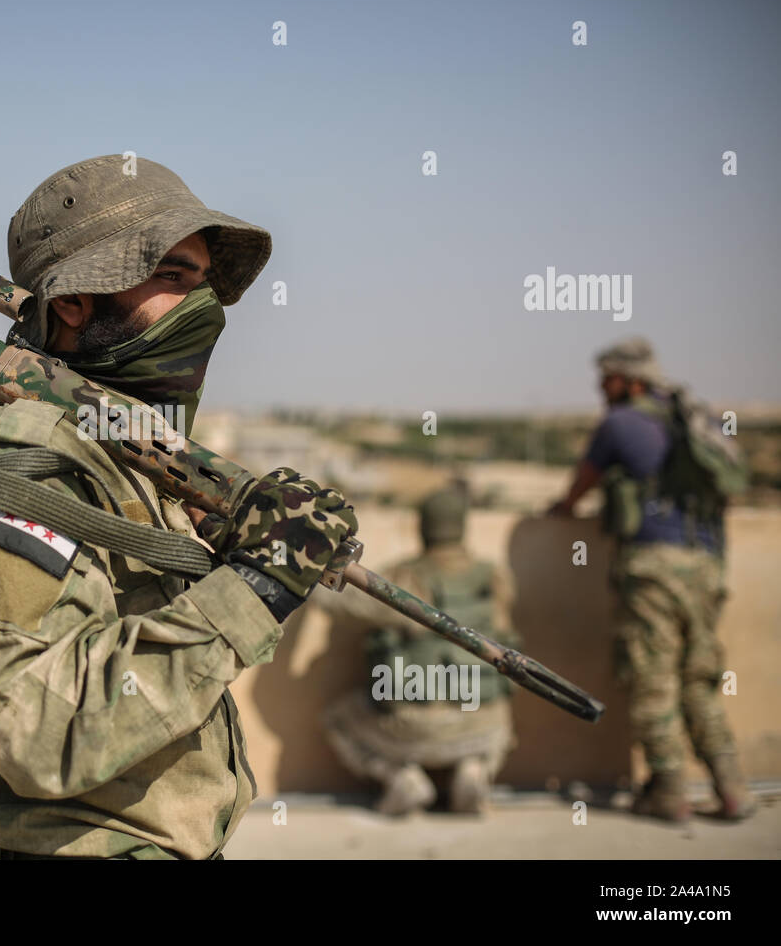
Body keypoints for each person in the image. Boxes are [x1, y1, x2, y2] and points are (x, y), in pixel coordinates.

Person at [0, 155, 359, 859]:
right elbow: (37, 732)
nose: (203, 306)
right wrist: (254, 590)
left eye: (202, 281)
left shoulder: (115, 455)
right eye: (171, 277)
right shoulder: (27, 466)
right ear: (74, 302)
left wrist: (222, 553)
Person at [548, 338, 755, 821]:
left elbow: (580, 485)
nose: (602, 387)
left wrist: (563, 510)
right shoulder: (692, 420)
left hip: (653, 568)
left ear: (632, 378)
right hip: (707, 566)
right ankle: (732, 788)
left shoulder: (620, 423)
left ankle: (668, 789)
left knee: (652, 677)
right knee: (699, 679)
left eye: (609, 377)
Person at [322, 486, 519, 816]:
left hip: (413, 725)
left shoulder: (404, 578)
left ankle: (400, 777)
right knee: (501, 709)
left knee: (337, 718)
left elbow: (336, 601)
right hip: (484, 720)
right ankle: (476, 769)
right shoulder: (496, 578)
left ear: (424, 526)